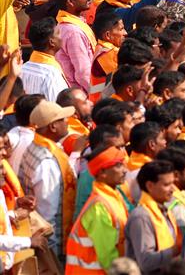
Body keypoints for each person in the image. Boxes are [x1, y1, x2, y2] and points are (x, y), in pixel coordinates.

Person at [18, 100, 76, 258]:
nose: (67, 122)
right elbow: (48, 216)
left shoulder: (35, 146)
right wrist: (53, 259)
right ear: (53, 126)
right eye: (63, 119)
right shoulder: (47, 161)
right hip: (53, 245)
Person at [66, 145, 129, 272]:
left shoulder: (113, 197)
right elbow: (108, 257)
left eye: (123, 164)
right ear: (102, 173)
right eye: (118, 165)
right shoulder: (99, 207)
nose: (124, 170)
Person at [125, 160, 180, 272]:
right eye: (166, 185)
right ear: (150, 186)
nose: (172, 189)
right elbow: (146, 262)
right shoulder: (141, 217)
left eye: (172, 183)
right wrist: (176, 249)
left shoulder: (164, 210)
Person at [20, 17, 69, 102]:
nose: (62, 37)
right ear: (51, 42)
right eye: (58, 33)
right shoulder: (51, 74)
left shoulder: (21, 69)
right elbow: (57, 110)